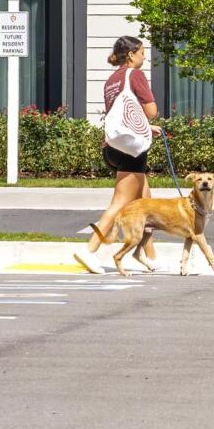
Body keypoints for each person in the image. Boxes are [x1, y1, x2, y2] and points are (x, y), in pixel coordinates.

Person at [77, 36, 161, 271]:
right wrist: (149, 119)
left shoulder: (112, 80)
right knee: (120, 204)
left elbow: (121, 116)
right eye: (143, 52)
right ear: (132, 54)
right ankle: (90, 249)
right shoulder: (135, 75)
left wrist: (146, 127)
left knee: (146, 204)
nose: (145, 57)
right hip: (130, 151)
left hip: (112, 147)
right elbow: (151, 110)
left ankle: (148, 255)